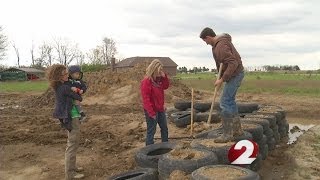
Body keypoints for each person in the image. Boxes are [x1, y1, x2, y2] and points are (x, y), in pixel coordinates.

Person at [199, 27, 245, 143]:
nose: (206, 43)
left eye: (205, 41)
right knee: (230, 101)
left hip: (235, 74)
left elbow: (233, 63)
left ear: (209, 37)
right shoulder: (218, 45)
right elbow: (221, 65)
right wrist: (219, 78)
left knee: (225, 101)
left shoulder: (221, 46)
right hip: (234, 74)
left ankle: (227, 134)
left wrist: (223, 79)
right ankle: (237, 130)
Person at [47, 64, 85, 179]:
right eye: (64, 74)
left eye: (67, 73)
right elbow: (79, 98)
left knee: (73, 142)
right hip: (71, 117)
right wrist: (77, 93)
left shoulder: (62, 85)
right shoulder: (64, 88)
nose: (67, 75)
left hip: (71, 115)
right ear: (59, 76)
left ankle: (72, 167)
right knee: (72, 144)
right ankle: (70, 174)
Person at [140, 59, 170, 146]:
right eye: (159, 70)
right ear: (154, 69)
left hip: (160, 109)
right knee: (151, 131)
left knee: (164, 128)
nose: (161, 71)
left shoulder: (159, 80)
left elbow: (166, 86)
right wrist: (151, 113)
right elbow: (146, 99)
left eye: (161, 69)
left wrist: (165, 77)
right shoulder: (146, 82)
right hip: (151, 110)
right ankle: (149, 150)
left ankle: (166, 146)